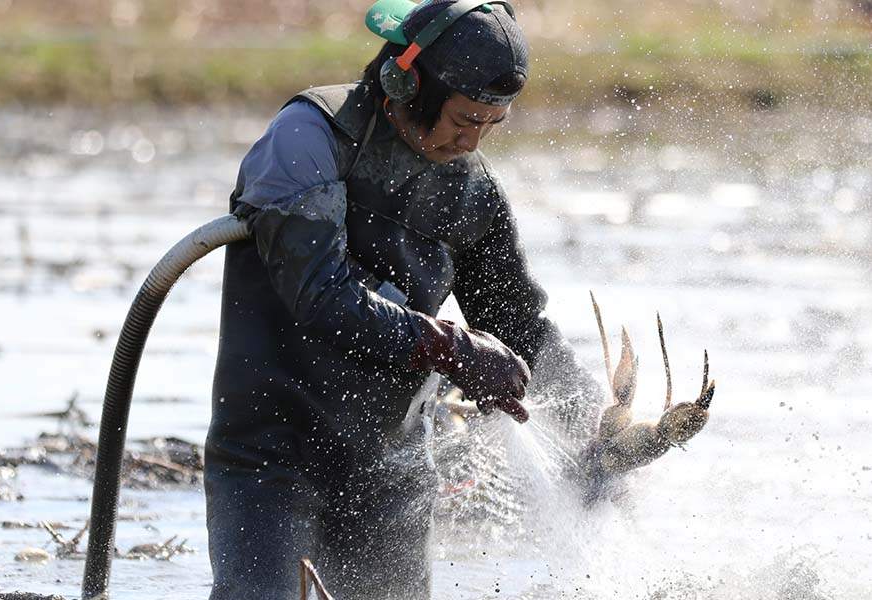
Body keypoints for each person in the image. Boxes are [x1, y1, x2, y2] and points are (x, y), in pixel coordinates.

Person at [205, 0, 601, 598]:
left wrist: (594, 428)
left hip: (388, 471)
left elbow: (519, 324)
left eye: (491, 125)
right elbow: (321, 296)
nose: (472, 140)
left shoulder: (471, 191)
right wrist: (444, 346)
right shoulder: (308, 139)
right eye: (465, 118)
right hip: (272, 458)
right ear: (408, 81)